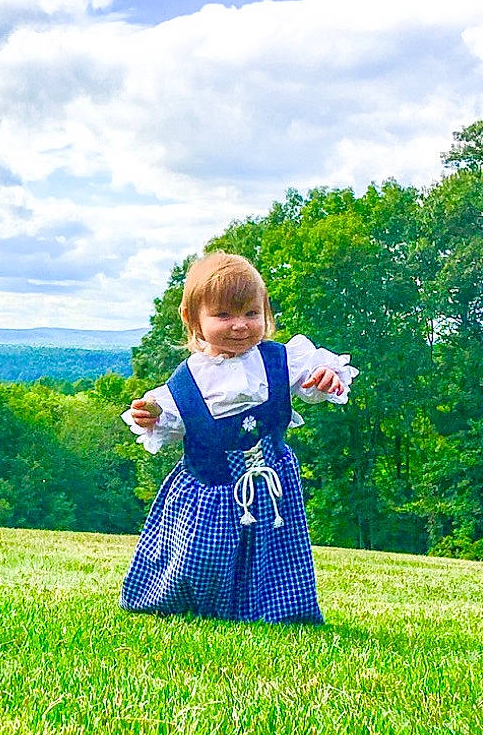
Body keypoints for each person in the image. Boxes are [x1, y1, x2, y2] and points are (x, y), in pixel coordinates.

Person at [119, 252, 357, 623]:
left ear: (265, 312)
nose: (240, 326)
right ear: (192, 320)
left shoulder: (278, 360)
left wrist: (327, 375)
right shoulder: (187, 382)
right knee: (204, 556)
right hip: (208, 491)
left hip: (272, 485)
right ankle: (187, 602)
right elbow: (163, 417)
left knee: (276, 552)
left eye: (251, 313)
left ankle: (279, 610)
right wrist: (151, 415)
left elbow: (314, 377)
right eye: (224, 315)